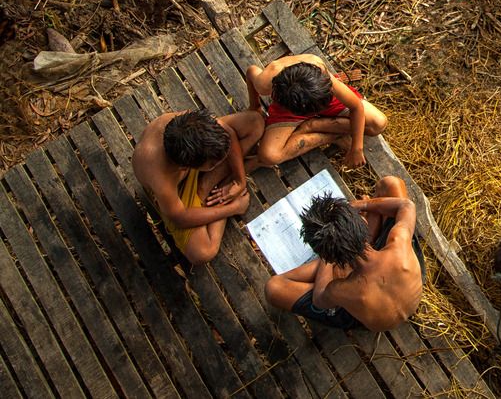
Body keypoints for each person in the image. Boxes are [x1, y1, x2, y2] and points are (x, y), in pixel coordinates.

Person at [264, 176, 425, 332]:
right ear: (363, 222)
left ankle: (344, 259)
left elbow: (319, 299)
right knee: (391, 183)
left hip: (363, 309)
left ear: (327, 257)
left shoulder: (341, 289)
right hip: (409, 289)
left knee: (273, 288)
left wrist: (327, 255)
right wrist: (364, 204)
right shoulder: (399, 243)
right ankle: (355, 244)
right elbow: (407, 206)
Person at [132, 109, 264, 265]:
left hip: (195, 160)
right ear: (185, 168)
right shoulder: (162, 180)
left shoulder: (190, 124)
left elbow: (228, 132)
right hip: (177, 190)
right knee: (203, 252)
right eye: (214, 164)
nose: (220, 162)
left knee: (254, 122)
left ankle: (208, 187)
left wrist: (239, 179)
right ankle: (215, 191)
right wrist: (233, 208)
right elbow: (179, 218)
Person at [246, 54, 387, 168]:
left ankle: (312, 126)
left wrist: (357, 148)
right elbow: (251, 71)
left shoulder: (319, 72)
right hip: (289, 107)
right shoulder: (266, 83)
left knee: (378, 123)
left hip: (320, 96)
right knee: (269, 155)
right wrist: (255, 106)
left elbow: (355, 106)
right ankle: (334, 135)